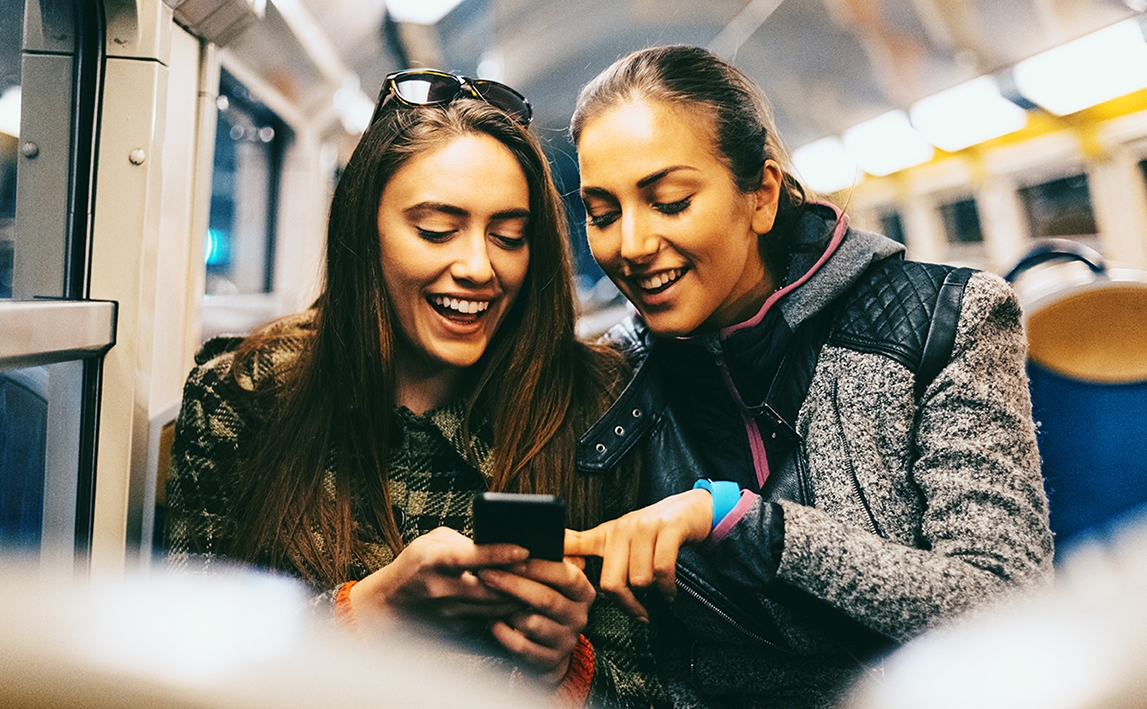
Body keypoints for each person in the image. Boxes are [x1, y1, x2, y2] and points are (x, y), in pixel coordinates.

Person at [564, 45, 1054, 708]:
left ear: (761, 196)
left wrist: (741, 521)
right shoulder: (614, 379)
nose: (630, 242)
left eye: (670, 202)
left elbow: (1007, 607)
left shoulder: (945, 322)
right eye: (601, 213)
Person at [167, 70, 660, 707]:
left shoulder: (598, 409)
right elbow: (187, 662)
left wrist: (562, 673)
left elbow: (661, 690)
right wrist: (366, 613)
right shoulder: (244, 399)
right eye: (436, 230)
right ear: (364, 232)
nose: (480, 267)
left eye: (509, 237)